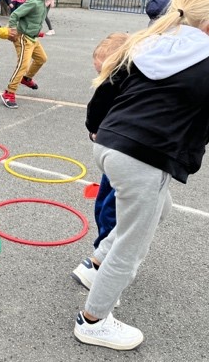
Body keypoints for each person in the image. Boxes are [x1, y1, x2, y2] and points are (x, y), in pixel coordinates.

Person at [72, 0, 209, 351]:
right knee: (132, 247)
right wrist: (201, 135)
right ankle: (92, 321)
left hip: (109, 146)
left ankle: (94, 264)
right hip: (143, 158)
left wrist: (96, 129)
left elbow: (105, 89)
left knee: (159, 208)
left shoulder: (146, 43)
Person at [83, 32, 129, 252]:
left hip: (122, 153)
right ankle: (104, 248)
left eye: (101, 68)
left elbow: (94, 113)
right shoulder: (121, 80)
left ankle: (104, 254)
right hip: (114, 153)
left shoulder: (113, 83)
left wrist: (94, 131)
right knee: (104, 205)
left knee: (110, 208)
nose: (98, 71)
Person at [1, 0, 57, 108]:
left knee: (42, 58)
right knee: (23, 65)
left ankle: (26, 78)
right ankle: (8, 92)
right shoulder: (34, 2)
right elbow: (14, 15)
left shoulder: (43, 3)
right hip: (22, 38)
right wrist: (12, 30)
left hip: (32, 38)